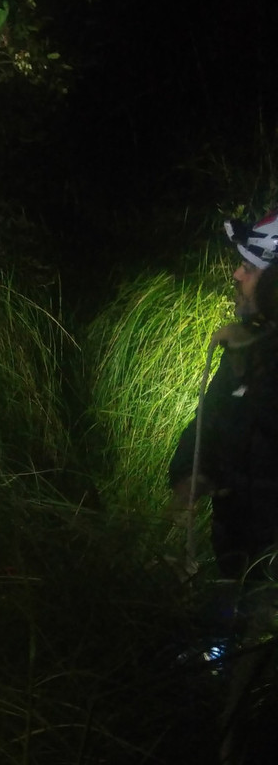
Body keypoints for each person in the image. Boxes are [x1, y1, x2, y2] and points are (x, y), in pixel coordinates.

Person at [167, 210, 278, 763]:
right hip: (238, 558)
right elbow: (207, 429)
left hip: (271, 571)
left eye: (252, 267)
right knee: (226, 673)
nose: (237, 275)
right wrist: (190, 475)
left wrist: (254, 353)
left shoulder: (256, 357)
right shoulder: (245, 354)